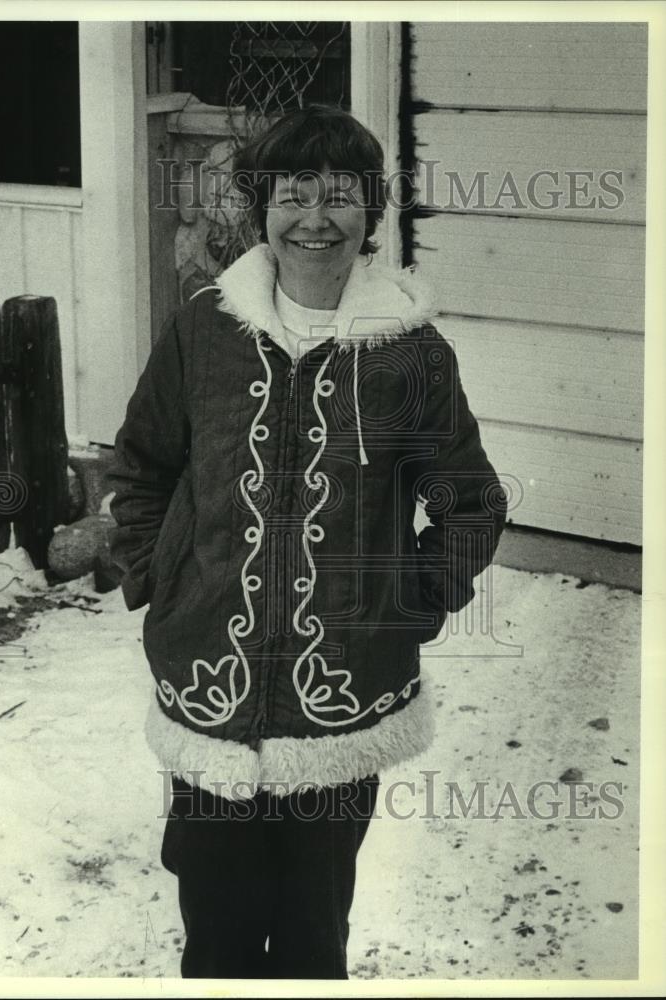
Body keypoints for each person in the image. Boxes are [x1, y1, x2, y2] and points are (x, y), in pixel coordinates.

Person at [107, 104, 507, 980]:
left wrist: (408, 610)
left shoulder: (411, 356)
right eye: (293, 195)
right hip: (208, 692)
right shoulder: (203, 333)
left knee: (311, 938)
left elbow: (470, 504)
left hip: (342, 701)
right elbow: (140, 468)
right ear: (261, 208)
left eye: (340, 196)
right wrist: (159, 579)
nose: (314, 219)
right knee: (213, 928)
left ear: (371, 212)